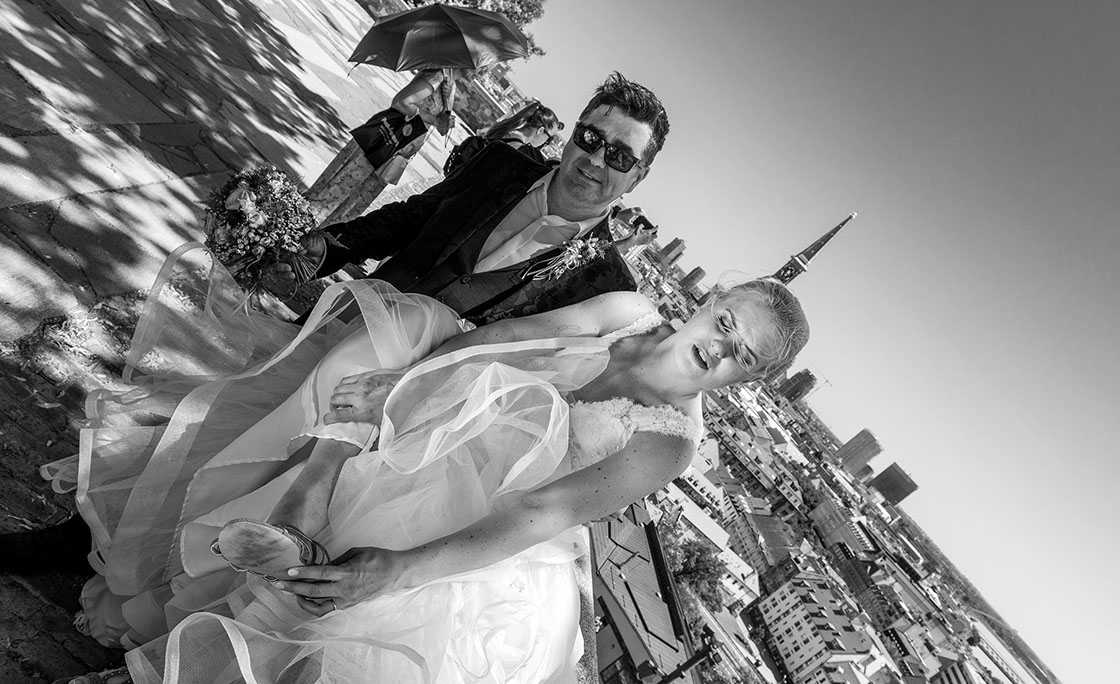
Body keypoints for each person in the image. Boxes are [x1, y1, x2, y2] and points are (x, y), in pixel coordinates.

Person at [47, 249, 809, 683]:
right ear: (712, 298)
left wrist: (403, 571)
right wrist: (400, 391)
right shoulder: (627, 312)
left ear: (750, 379)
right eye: (726, 321)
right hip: (444, 438)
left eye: (742, 356)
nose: (720, 346)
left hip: (488, 526)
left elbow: (538, 513)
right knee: (308, 518)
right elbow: (502, 339)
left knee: (344, 612)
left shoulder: (672, 442)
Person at [276, 72, 672, 326]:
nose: (597, 159)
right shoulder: (499, 164)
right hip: (347, 323)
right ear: (572, 135)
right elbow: (410, 219)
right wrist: (329, 247)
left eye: (620, 157)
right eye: (590, 138)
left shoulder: (609, 285)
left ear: (638, 177)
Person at [350, 68, 464, 174]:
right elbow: (401, 102)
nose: (479, 76)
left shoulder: (451, 86)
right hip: (390, 136)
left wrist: (448, 99)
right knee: (351, 176)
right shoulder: (437, 76)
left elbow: (443, 130)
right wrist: (435, 121)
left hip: (404, 149)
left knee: (371, 185)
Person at [442, 100, 564, 175]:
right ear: (541, 130)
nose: (546, 143)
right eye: (549, 138)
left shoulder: (505, 130)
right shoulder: (516, 148)